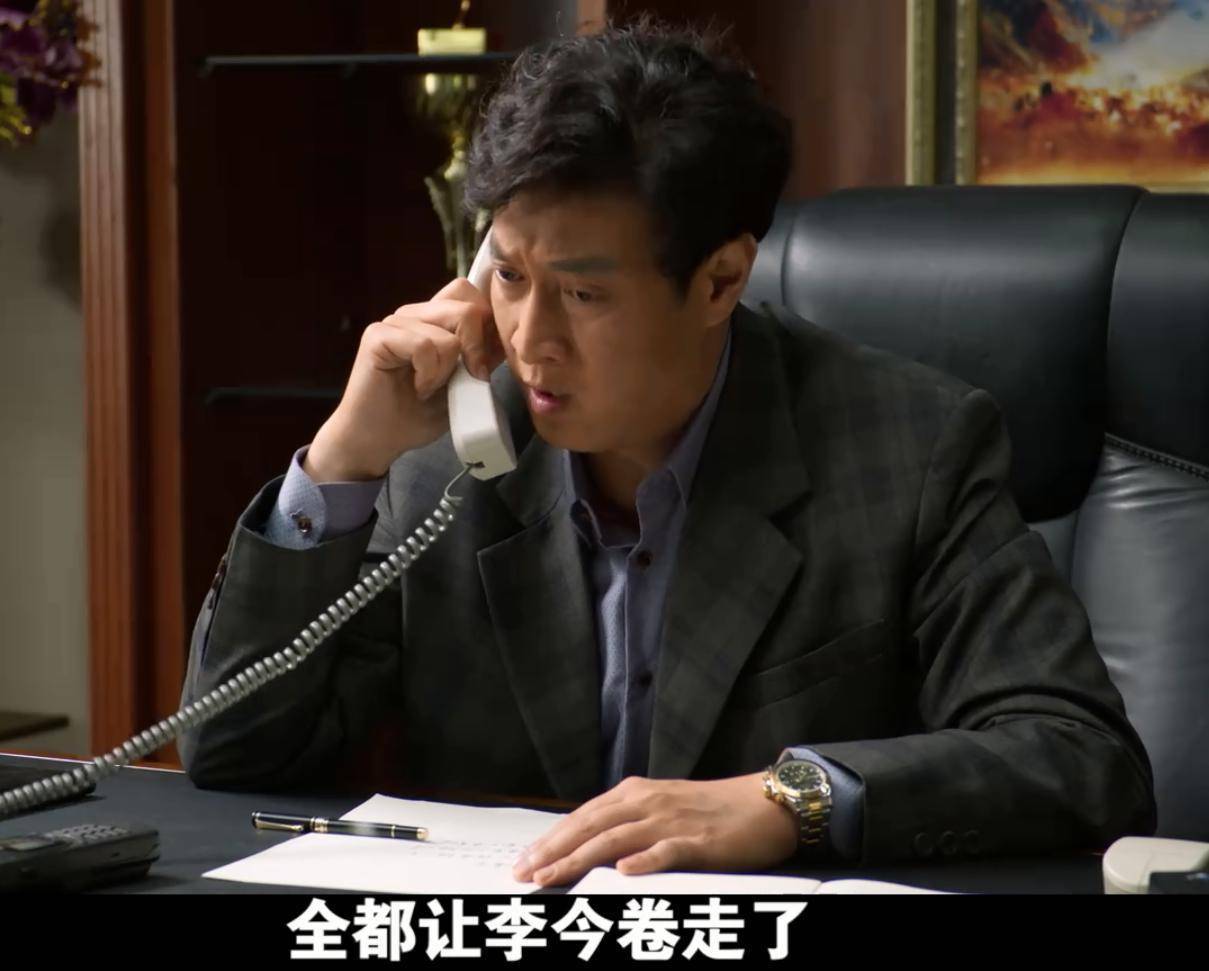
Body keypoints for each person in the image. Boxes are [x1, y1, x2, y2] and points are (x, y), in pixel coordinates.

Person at [178, 21, 1156, 886]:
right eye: (508, 276)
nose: (530, 340)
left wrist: (792, 799)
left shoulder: (909, 448)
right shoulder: (446, 451)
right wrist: (342, 464)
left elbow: (1079, 755)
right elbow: (233, 752)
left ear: (721, 279)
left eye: (583, 294)